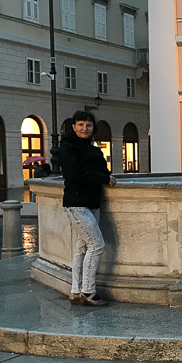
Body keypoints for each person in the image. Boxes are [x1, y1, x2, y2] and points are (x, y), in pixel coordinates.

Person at [59, 110, 116, 307]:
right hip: (76, 203)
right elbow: (75, 174)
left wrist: (101, 175)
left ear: (93, 128)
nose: (85, 128)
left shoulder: (95, 150)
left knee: (82, 247)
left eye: (88, 125)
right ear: (73, 126)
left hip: (92, 203)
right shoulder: (67, 147)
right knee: (97, 245)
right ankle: (89, 291)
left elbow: (103, 170)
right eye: (81, 124)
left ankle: (76, 291)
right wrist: (101, 177)